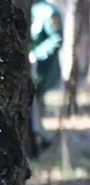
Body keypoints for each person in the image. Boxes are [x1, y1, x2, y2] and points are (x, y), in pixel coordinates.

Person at [30, 0, 64, 154]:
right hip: (25, 69)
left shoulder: (47, 11)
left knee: (35, 104)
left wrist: (35, 55)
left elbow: (56, 39)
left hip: (39, 69)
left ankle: (38, 140)